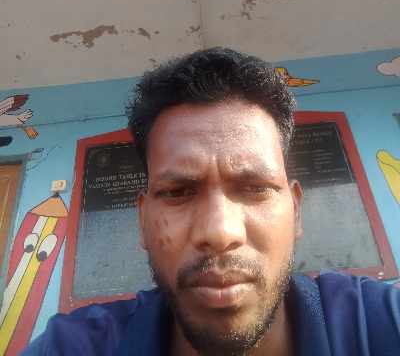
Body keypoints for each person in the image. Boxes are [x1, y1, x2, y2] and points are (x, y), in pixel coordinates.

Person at [22, 48, 400, 356]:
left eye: (255, 187)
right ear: (143, 222)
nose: (220, 232)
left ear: (296, 211)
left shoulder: (380, 323)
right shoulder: (71, 347)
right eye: (177, 192)